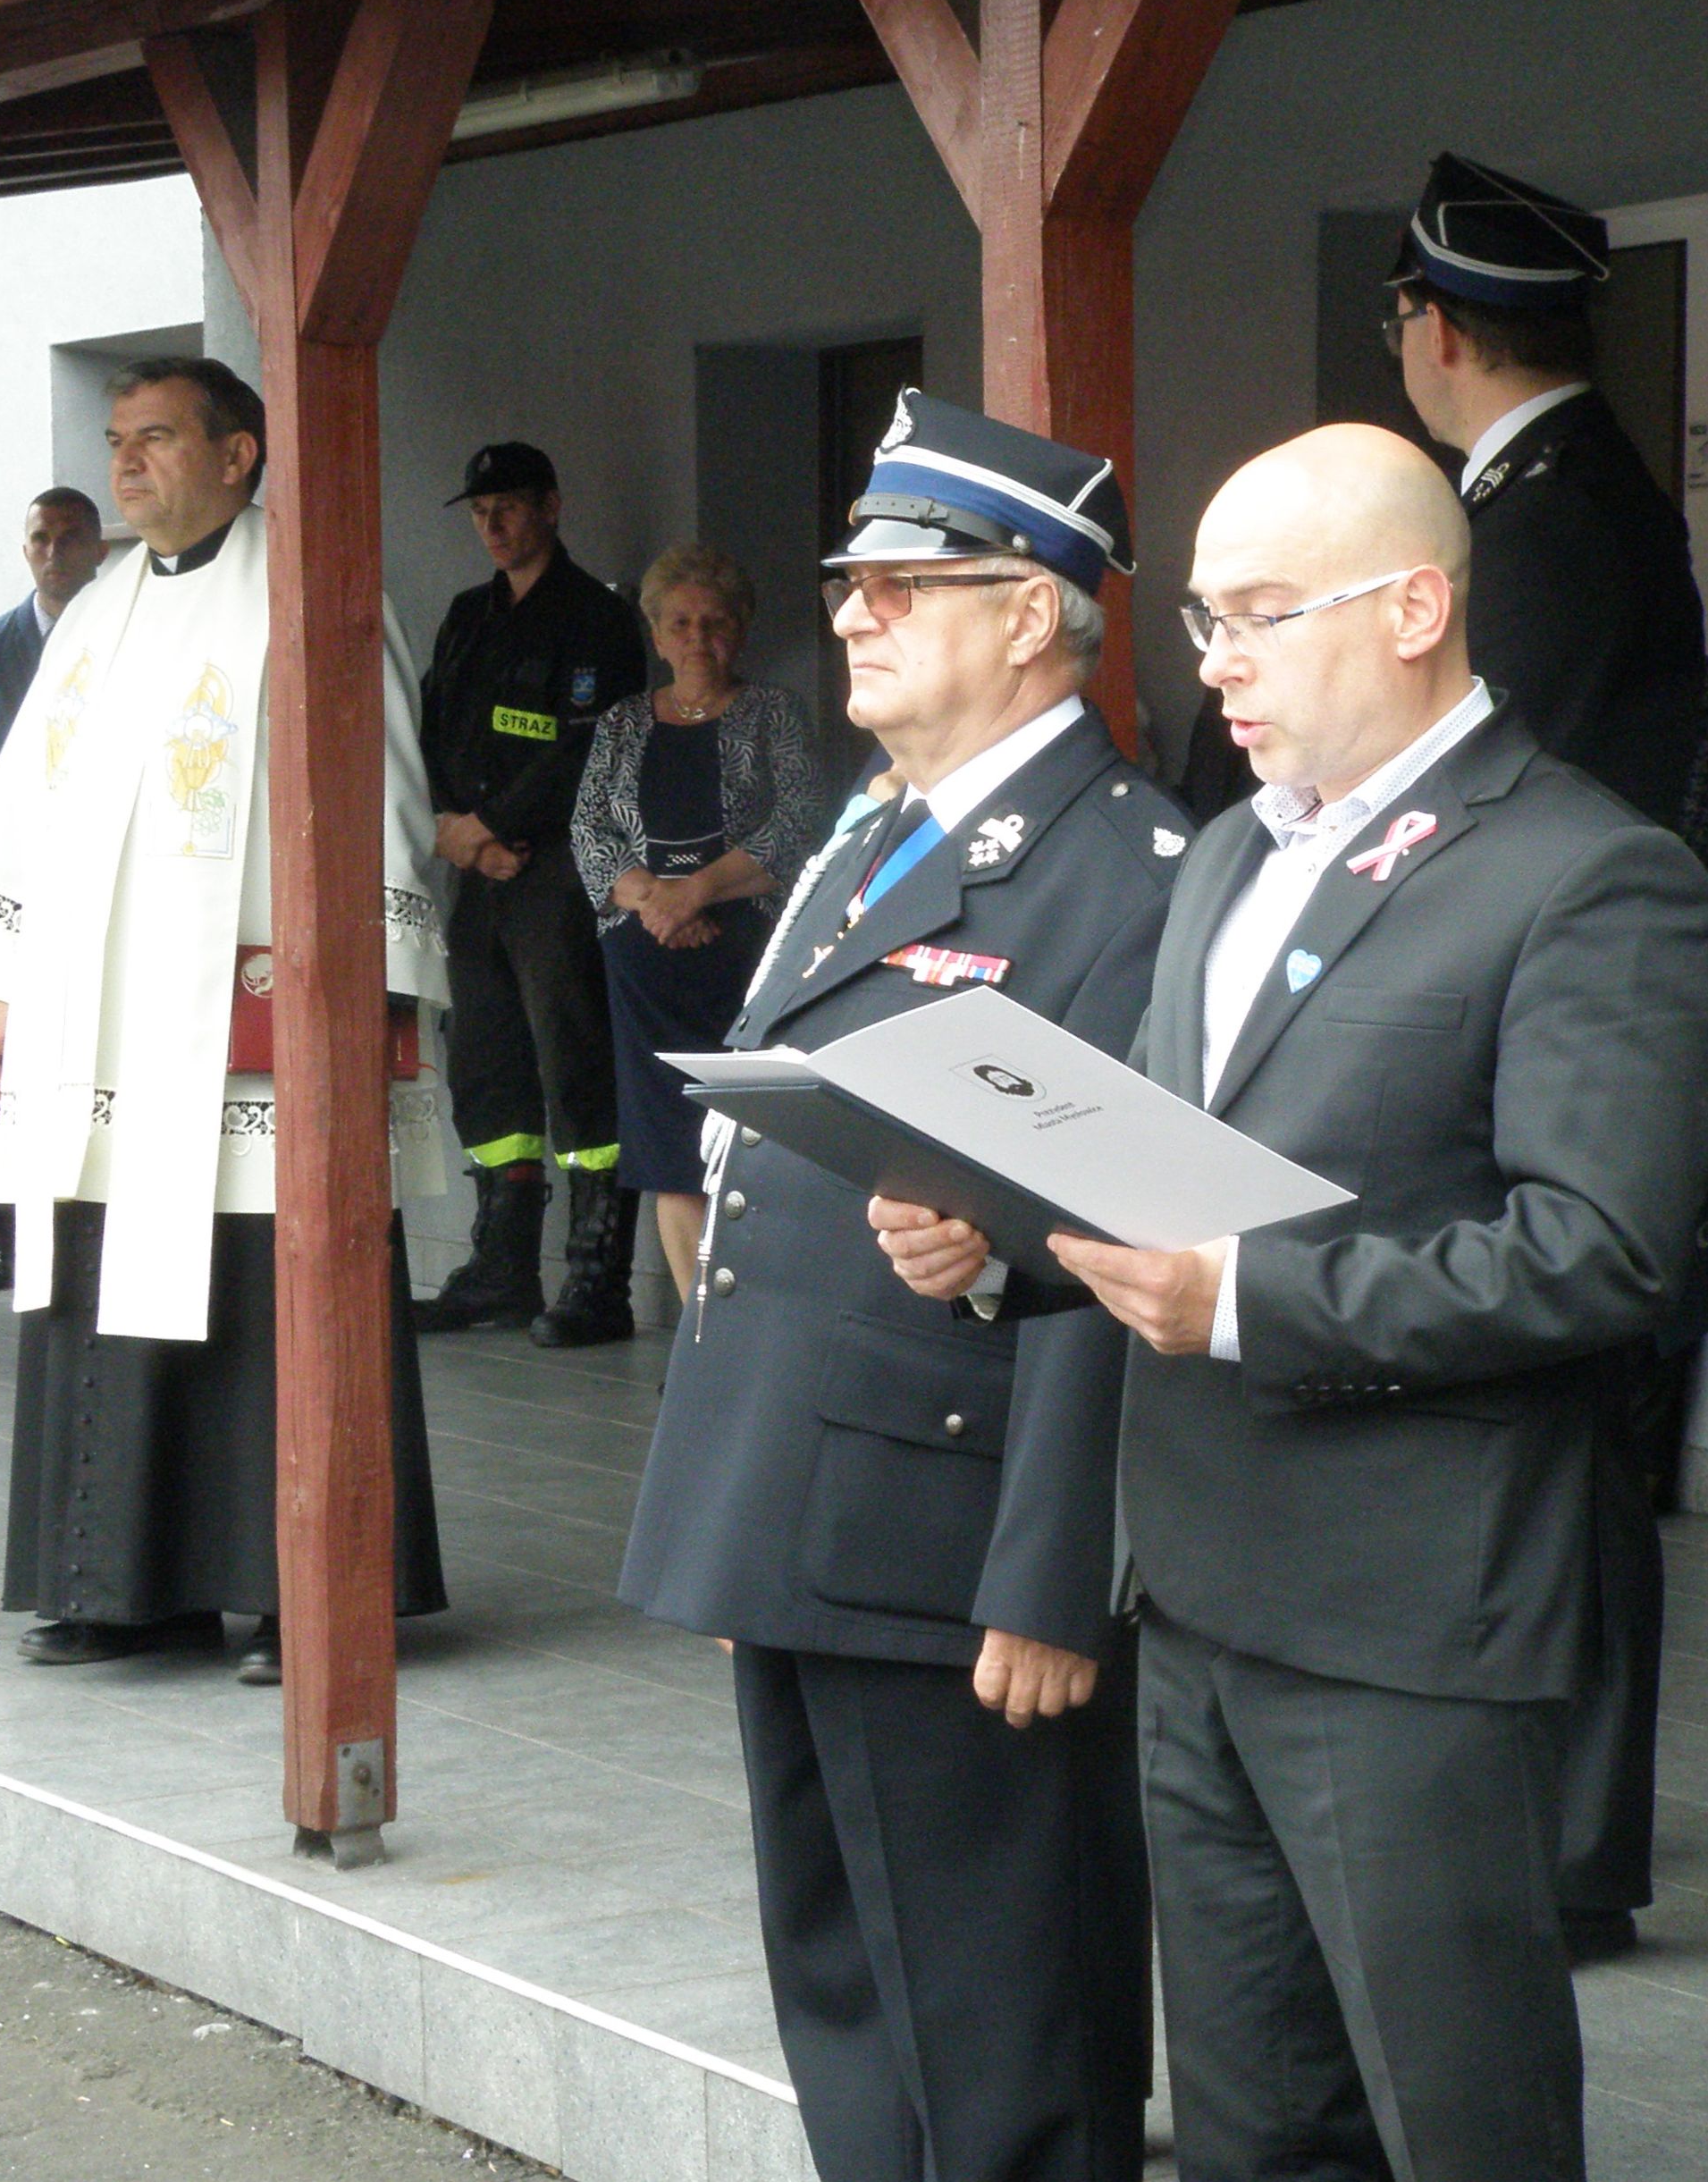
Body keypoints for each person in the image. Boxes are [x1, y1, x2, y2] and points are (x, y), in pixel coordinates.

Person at [883, 423, 1708, 2182]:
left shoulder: (1584, 872)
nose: (1216, 663)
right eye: (1203, 619)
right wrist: (1003, 1239)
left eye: (1260, 615)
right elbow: (1143, 1158)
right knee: (1252, 2123)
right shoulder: (1227, 857)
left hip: (1409, 1613)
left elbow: (1601, 1250)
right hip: (1197, 1588)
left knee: (1455, 2115)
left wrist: (1249, 1303)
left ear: (1413, 609)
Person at [620, 391, 1182, 2182]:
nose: (852, 614)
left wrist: (1053, 1577)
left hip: (953, 1543)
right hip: (814, 1501)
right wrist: (739, 1506)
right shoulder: (879, 827)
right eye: (848, 584)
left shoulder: (1121, 874)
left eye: (902, 586)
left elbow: (1118, 1243)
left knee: (1004, 2039)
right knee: (850, 2008)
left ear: (1028, 614)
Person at [0, 356, 449, 1687]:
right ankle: (122, 1588)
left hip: (251, 1027)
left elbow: (382, 789)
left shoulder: (314, 591)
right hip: (97, 1029)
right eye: (117, 439)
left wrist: (366, 994)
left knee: (270, 1294)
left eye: (155, 437)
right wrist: (0, 990)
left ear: (239, 454)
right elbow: (22, 807)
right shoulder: (93, 614)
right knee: (104, 1281)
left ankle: (297, 1589)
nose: (125, 463)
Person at [1386, 147, 1708, 1955]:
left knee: (1568, 1456)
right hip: (1556, 999)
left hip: (1546, 1009)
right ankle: (1558, 1828)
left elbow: (1487, 796)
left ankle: (1574, 1846)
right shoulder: (1560, 492)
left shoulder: (1538, 523)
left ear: (1433, 330)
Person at [1384, 151, 1708, 828]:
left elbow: (1475, 780)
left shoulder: (1540, 524)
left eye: (1399, 328)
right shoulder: (1580, 475)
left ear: (1438, 332)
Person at [410, 442, 649, 1346]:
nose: (493, 525)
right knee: (485, 1062)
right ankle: (501, 1269)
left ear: (550, 505)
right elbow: (431, 729)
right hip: (476, 868)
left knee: (575, 1061)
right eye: (480, 512)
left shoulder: (596, 618)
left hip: (558, 866)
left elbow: (589, 747)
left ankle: (597, 1278)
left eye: (507, 506)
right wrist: (450, 824)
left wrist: (495, 826)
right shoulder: (467, 615)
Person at [568, 543, 820, 1306]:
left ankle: (756, 1324)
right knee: (669, 1148)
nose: (698, 637)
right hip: (646, 967)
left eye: (715, 622)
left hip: (749, 959)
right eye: (680, 622)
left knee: (751, 1140)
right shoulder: (620, 722)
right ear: (656, 632)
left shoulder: (774, 711)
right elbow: (588, 830)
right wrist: (657, 903)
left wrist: (696, 894)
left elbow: (799, 822)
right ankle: (698, 1331)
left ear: (740, 629)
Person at [0, 485, 107, 1293]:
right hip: (7, 895)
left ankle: (80, 1227)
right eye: (41, 538)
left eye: (70, 538)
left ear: (100, 547)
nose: (54, 552)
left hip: (101, 891)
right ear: (24, 546)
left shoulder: (130, 631)